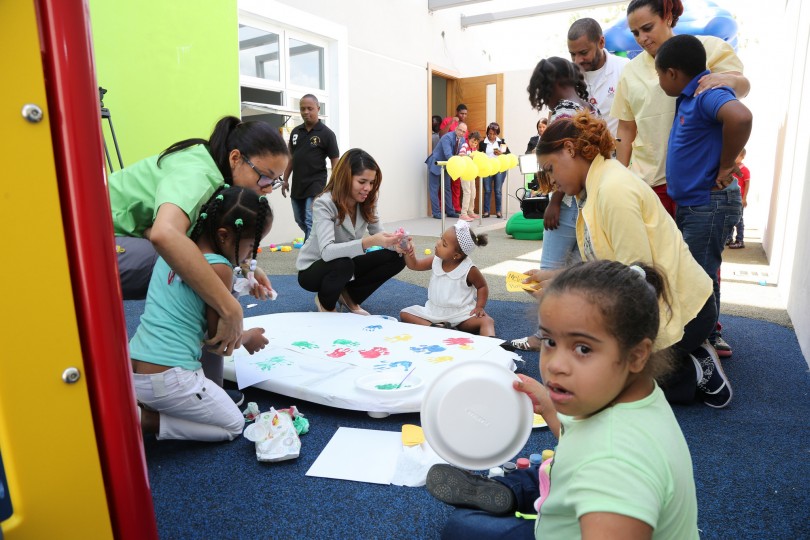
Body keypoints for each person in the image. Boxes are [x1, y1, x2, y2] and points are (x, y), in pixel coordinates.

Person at [427, 260, 699, 540]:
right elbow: (584, 439)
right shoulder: (633, 395)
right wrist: (547, 407)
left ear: (637, 355)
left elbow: (608, 459)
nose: (555, 365)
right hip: (580, 488)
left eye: (582, 348)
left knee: (463, 526)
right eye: (550, 342)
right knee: (548, 469)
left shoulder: (616, 468)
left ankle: (511, 492)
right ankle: (512, 492)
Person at [523, 112, 732, 408]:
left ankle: (696, 366)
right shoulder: (598, 185)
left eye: (550, 168)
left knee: (611, 384)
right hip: (665, 303)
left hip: (689, 314)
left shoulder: (612, 190)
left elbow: (637, 278)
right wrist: (559, 277)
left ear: (569, 149)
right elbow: (607, 262)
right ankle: (683, 359)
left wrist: (569, 290)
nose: (552, 179)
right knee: (603, 369)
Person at [109, 115, 289, 404]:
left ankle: (199, 382)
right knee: (209, 273)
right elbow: (165, 235)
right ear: (235, 159)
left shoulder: (213, 172)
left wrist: (246, 267)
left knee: (214, 270)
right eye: (265, 177)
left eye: (275, 182)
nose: (268, 189)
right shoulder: (198, 173)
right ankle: (178, 378)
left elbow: (193, 237)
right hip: (85, 247)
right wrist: (230, 307)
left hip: (122, 240)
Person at [131, 186, 272, 442]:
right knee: (233, 425)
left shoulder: (173, 252)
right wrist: (249, 337)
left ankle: (146, 408)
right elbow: (218, 341)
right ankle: (146, 421)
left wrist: (239, 283)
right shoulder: (220, 268)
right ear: (224, 235)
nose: (251, 256)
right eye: (251, 245)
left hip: (133, 372)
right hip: (170, 378)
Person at [656, 34, 751, 357]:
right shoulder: (689, 97)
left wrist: (726, 166)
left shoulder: (706, 93)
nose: (659, 82)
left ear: (671, 73)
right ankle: (705, 335)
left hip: (707, 205)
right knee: (699, 272)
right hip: (694, 204)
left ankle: (702, 345)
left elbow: (741, 117)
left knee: (699, 278)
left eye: (659, 75)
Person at [611, 0, 750, 218]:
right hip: (650, 182)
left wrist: (725, 79)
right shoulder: (630, 71)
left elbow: (742, 88)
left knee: (696, 250)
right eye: (635, 33)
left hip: (699, 179)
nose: (642, 38)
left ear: (667, 17)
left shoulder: (707, 48)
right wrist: (620, 176)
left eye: (647, 28)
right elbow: (626, 128)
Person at [511, 57, 596, 352]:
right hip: (588, 203)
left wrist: (555, 201)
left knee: (545, 274)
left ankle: (544, 335)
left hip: (568, 203)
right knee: (577, 272)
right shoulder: (588, 107)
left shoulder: (562, 115)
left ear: (555, 84)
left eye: (544, 91)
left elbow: (561, 164)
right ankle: (574, 334)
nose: (544, 99)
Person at [297, 149, 407, 314]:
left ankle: (350, 297)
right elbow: (327, 252)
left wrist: (396, 244)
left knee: (396, 258)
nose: (368, 188)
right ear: (346, 178)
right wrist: (369, 242)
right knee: (343, 263)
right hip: (313, 270)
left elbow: (379, 233)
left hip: (345, 265)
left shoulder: (368, 201)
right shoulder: (324, 203)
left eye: (371, 182)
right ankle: (326, 304)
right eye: (362, 181)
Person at [400, 221, 494, 336]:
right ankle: (436, 327)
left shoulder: (469, 269)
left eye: (444, 244)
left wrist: (479, 307)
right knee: (405, 313)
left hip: (461, 315)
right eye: (440, 238)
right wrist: (408, 252)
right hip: (434, 312)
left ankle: (491, 342)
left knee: (487, 321)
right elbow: (414, 265)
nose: (438, 243)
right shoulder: (435, 260)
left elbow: (482, 286)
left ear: (456, 255)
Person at [281, 94, 340, 241]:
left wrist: (335, 185)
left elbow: (335, 162)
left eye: (310, 108)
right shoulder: (295, 132)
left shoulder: (327, 134)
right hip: (298, 185)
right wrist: (285, 179)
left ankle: (309, 258)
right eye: (302, 109)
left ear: (318, 109)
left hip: (316, 184)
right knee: (300, 220)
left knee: (309, 220)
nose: (306, 112)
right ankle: (318, 240)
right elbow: (291, 158)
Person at [567, 17, 630, 136]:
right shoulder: (568, 78)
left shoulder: (624, 68)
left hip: (617, 152)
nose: (577, 60)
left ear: (601, 42)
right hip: (583, 152)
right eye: (573, 54)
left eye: (584, 53)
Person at [426, 123, 466, 219]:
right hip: (436, 163)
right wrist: (458, 161)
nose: (461, 133)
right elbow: (448, 154)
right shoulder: (447, 137)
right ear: (456, 128)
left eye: (464, 132)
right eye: (460, 130)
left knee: (447, 188)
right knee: (434, 189)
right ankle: (436, 213)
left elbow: (460, 154)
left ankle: (450, 211)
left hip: (448, 165)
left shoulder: (463, 140)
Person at [479, 122, 510, 218]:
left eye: (494, 134)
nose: (491, 136)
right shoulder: (483, 143)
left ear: (497, 134)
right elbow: (479, 155)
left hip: (499, 168)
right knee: (487, 190)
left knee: (498, 190)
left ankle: (498, 211)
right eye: (489, 134)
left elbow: (508, 155)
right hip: (487, 168)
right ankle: (486, 211)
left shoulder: (501, 142)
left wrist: (500, 153)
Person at [728, 148, 750, 249]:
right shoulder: (730, 168)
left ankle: (740, 240)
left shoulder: (745, 170)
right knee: (729, 219)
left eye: (737, 155)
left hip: (739, 199)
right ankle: (729, 238)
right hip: (730, 198)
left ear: (742, 157)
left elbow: (747, 184)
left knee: (739, 220)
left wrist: (744, 198)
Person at [459, 131, 482, 221]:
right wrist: (470, 157)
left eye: (476, 143)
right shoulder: (465, 145)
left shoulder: (475, 149)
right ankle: (463, 213)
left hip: (471, 172)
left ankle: (470, 211)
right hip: (464, 171)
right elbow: (461, 155)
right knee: (467, 192)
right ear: (469, 139)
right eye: (472, 141)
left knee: (473, 192)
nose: (473, 144)